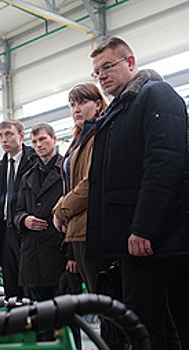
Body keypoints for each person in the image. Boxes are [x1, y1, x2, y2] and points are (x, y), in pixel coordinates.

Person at [85, 36, 189, 349]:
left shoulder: (156, 94)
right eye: (96, 71)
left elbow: (164, 164)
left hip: (154, 239)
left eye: (108, 66)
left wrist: (144, 227)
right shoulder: (120, 109)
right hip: (134, 239)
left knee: (154, 321)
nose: (102, 75)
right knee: (151, 320)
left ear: (131, 62)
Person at [53, 83, 109, 295]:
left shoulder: (98, 136)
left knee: (103, 299)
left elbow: (89, 184)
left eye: (82, 102)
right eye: (72, 104)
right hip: (77, 229)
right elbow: (70, 185)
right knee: (95, 298)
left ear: (97, 105)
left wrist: (60, 212)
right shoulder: (78, 139)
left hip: (93, 227)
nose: (76, 109)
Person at [14, 123, 65, 302]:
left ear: (54, 139)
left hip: (59, 254)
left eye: (43, 139)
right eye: (34, 141)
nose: (38, 145)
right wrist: (24, 220)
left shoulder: (66, 169)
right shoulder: (28, 176)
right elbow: (17, 211)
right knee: (41, 320)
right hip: (33, 256)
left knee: (65, 317)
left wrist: (73, 255)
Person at [0, 119, 38, 298]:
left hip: (26, 230)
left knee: (29, 284)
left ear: (21, 135)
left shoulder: (34, 160)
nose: (4, 139)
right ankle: (15, 323)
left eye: (9, 134)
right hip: (5, 232)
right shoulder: (0, 167)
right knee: (10, 285)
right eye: (1, 135)